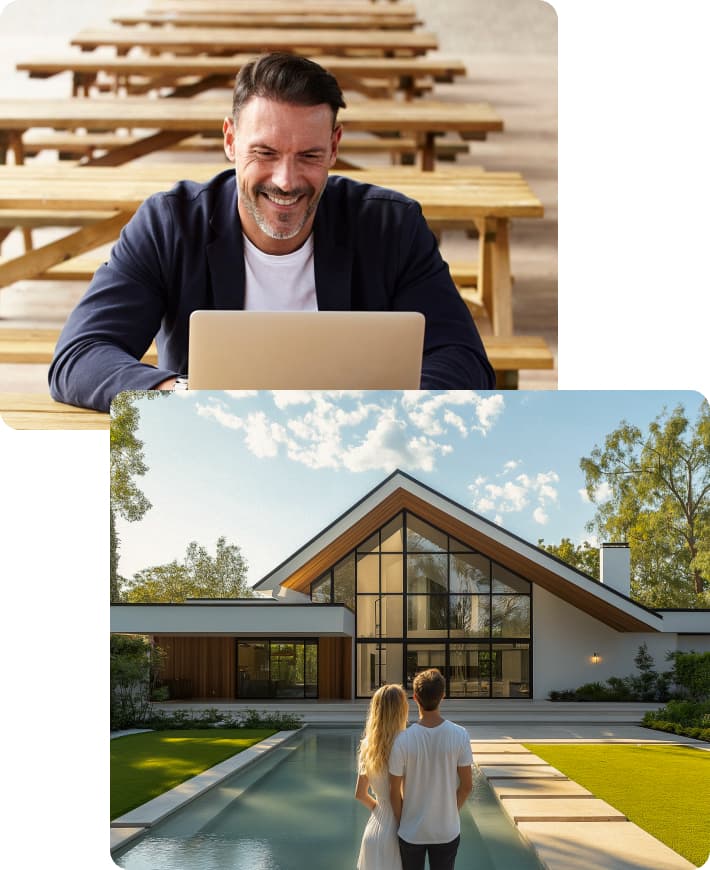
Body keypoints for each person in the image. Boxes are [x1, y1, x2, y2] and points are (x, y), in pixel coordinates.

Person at [49, 52, 495, 412]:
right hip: (213, 450)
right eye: (264, 152)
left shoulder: (391, 226)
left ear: (335, 147)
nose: (286, 180)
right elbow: (79, 355)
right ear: (230, 140)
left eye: (309, 156)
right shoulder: (170, 224)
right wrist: (178, 396)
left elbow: (464, 359)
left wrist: (390, 414)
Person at [389, 668, 473, 870]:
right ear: (443, 696)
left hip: (411, 833)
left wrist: (404, 822)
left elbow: (394, 792)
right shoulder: (460, 735)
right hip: (446, 831)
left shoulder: (402, 740)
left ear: (415, 698)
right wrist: (448, 812)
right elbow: (467, 786)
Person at [355, 683, 410, 870]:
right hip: (399, 831)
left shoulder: (368, 746)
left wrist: (380, 808)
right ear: (401, 709)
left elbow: (360, 794)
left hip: (373, 831)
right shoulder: (406, 743)